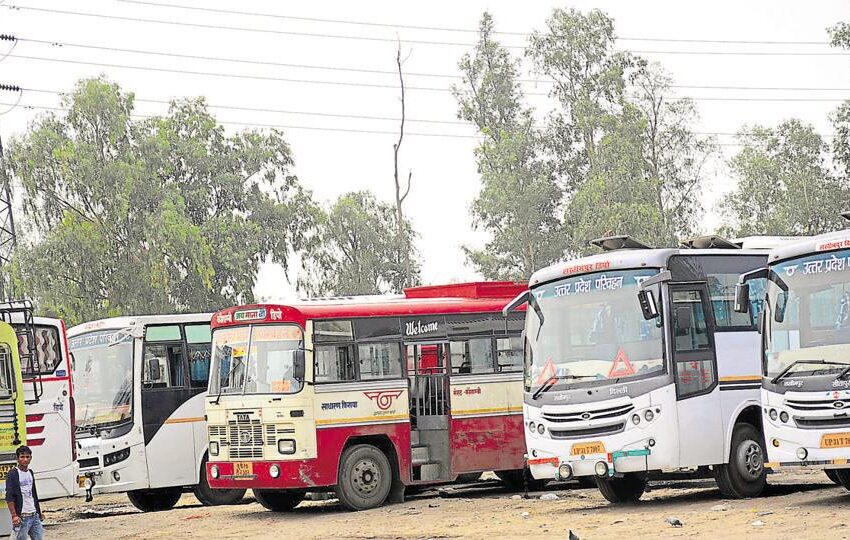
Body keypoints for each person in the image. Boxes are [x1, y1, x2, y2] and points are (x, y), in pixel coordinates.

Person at [5, 446, 43, 540]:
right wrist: (14, 515)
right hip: (22, 517)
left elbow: (33, 494)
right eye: (22, 457)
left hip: (34, 516)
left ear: (30, 458)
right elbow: (9, 496)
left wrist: (39, 512)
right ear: (17, 458)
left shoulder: (30, 472)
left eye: (27, 457)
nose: (25, 459)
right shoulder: (13, 474)